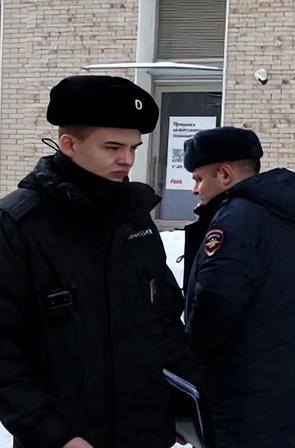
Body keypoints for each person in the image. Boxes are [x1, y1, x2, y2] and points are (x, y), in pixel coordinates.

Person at [0, 75, 196, 448]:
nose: (127, 160)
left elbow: (164, 321)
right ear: (69, 144)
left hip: (145, 434)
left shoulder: (134, 218)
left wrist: (179, 406)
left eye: (134, 148)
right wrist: (54, 435)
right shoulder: (18, 225)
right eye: (112, 147)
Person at [182, 126, 295, 448]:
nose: (194, 189)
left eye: (199, 178)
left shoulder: (235, 220)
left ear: (225, 174)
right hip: (282, 386)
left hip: (241, 395)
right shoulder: (291, 215)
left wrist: (184, 370)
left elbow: (212, 309)